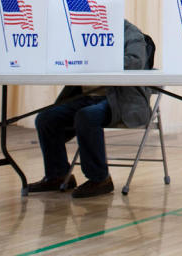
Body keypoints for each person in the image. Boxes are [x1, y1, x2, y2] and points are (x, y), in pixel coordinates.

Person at [27, 19, 154, 198]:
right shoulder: (84, 31)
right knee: (46, 119)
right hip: (85, 97)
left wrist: (100, 59)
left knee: (86, 116)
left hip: (118, 100)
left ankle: (100, 178)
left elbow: (135, 62)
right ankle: (58, 175)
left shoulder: (131, 33)